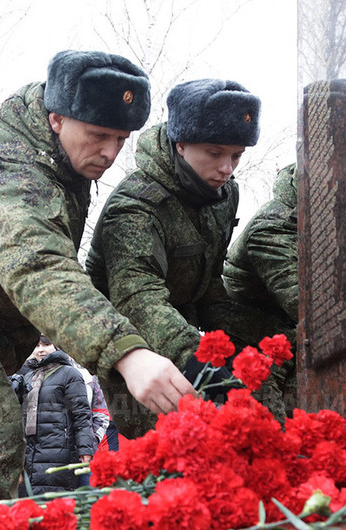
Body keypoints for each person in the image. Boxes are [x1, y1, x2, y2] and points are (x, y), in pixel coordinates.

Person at [0, 49, 194, 508]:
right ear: (56, 119)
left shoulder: (62, 161)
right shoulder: (7, 168)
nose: (109, 153)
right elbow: (39, 266)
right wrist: (127, 353)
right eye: (98, 135)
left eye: (121, 139)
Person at [86, 78, 263, 436]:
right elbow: (137, 299)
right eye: (215, 153)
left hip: (182, 328)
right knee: (169, 451)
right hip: (129, 344)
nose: (227, 168)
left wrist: (256, 340)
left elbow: (210, 284)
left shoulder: (224, 194)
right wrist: (200, 365)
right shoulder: (136, 206)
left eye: (237, 156)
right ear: (181, 144)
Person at [222, 164, 299, 414]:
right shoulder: (275, 227)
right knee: (269, 434)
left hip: (279, 341)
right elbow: (302, 303)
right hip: (255, 352)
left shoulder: (302, 216)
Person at [9, 335, 94, 495]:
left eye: (46, 344)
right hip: (29, 451)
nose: (41, 349)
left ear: (56, 346)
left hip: (58, 448)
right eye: (37, 345)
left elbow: (81, 414)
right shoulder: (28, 376)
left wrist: (85, 449)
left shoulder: (69, 374)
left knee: (55, 500)